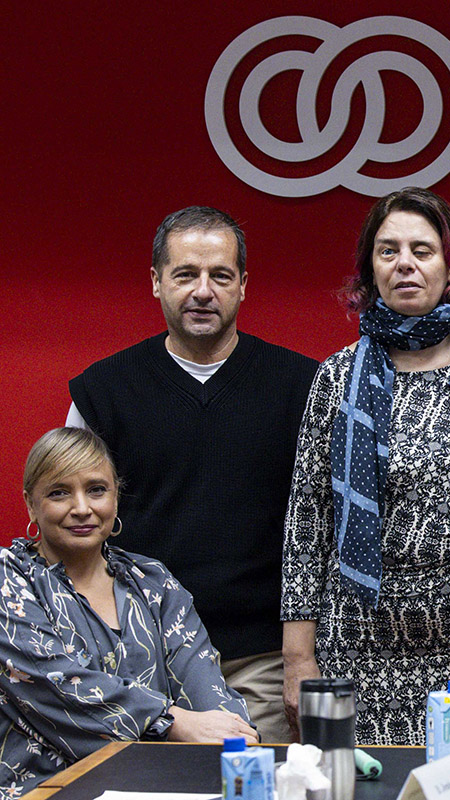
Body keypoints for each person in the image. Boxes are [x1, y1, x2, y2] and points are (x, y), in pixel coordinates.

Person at [281, 188, 450, 745]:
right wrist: (298, 658)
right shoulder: (337, 377)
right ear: (370, 270)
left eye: (422, 250)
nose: (405, 263)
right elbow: (308, 522)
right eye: (388, 250)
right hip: (361, 648)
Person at [67, 206, 319, 743]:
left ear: (243, 286)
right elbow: (69, 531)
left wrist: (301, 657)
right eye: (185, 275)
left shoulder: (304, 386)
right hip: (138, 662)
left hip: (261, 662)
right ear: (156, 282)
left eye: (220, 276)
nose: (203, 291)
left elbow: (324, 533)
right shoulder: (103, 393)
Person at [0, 428, 255, 796]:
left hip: (160, 785)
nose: (82, 508)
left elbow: (203, 682)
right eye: (59, 493)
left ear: (116, 498)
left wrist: (235, 735)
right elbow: (52, 680)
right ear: (30, 504)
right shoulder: (10, 579)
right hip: (46, 788)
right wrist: (169, 720)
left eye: (96, 490)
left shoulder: (152, 581)